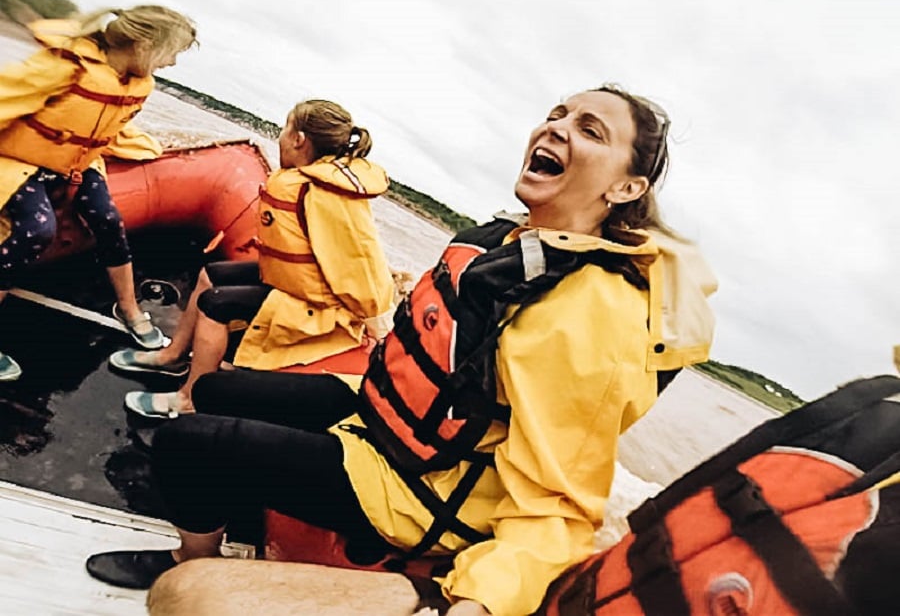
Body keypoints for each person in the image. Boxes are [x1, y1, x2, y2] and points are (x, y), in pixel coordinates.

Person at [86, 85, 717, 616]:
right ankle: (245, 519)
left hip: (415, 484)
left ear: (627, 189)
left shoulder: (585, 311)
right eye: (556, 114)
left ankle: (193, 558)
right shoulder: (509, 245)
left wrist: (483, 598)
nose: (555, 129)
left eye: (590, 130)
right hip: (378, 414)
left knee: (186, 442)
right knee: (217, 391)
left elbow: (558, 503)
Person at [110, 99, 396, 418]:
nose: (281, 136)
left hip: (317, 306)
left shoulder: (327, 195)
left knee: (215, 305)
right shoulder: (306, 182)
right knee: (210, 275)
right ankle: (172, 356)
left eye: (285, 128)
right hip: (291, 286)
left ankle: (190, 398)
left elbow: (361, 263)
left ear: (299, 139)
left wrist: (379, 326)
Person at [0, 5, 197, 381]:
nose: (171, 63)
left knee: (108, 219)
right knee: (36, 229)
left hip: (75, 166)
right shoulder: (63, 67)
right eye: (170, 53)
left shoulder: (139, 82)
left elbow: (109, 129)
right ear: (144, 45)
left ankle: (128, 308)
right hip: (16, 160)